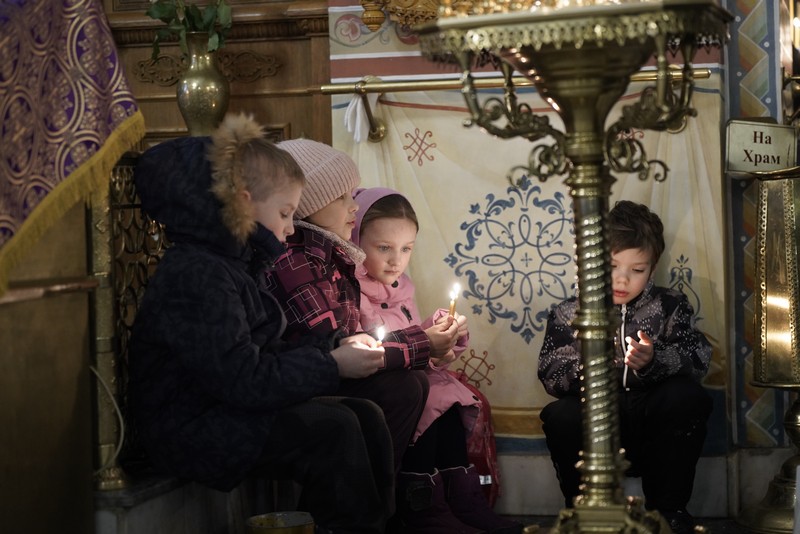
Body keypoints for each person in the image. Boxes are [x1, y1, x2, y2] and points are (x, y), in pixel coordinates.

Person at [127, 114, 394, 534]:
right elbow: (242, 378)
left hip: (221, 409)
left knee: (365, 414)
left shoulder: (231, 263)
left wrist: (333, 348)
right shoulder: (197, 274)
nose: (289, 229)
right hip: (188, 427)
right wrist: (331, 365)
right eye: (285, 213)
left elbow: (264, 351)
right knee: (334, 429)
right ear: (245, 203)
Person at [261, 140, 456, 524]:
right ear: (307, 203)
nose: (354, 206)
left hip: (323, 371)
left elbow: (349, 339)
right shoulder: (295, 260)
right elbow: (331, 346)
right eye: (341, 198)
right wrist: (422, 342)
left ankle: (379, 510)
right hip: (303, 382)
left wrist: (431, 344)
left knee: (417, 386)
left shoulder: (327, 255)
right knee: (402, 389)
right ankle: (363, 516)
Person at [352, 187, 524, 534]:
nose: (396, 260)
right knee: (433, 396)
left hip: (413, 379)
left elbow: (419, 351)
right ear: (356, 240)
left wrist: (442, 341)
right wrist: (424, 344)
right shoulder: (350, 290)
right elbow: (371, 351)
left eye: (406, 249)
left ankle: (464, 501)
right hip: (382, 387)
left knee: (448, 396)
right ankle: (423, 505)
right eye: (383, 248)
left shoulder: (403, 289)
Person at [537, 200, 713, 534]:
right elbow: (550, 371)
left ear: (652, 268)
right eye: (612, 266)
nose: (622, 279)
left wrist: (654, 359)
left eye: (637, 270)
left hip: (653, 423)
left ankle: (669, 512)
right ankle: (583, 511)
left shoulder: (670, 305)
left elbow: (699, 359)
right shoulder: (569, 312)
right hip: (598, 423)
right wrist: (591, 370)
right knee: (561, 415)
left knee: (686, 398)